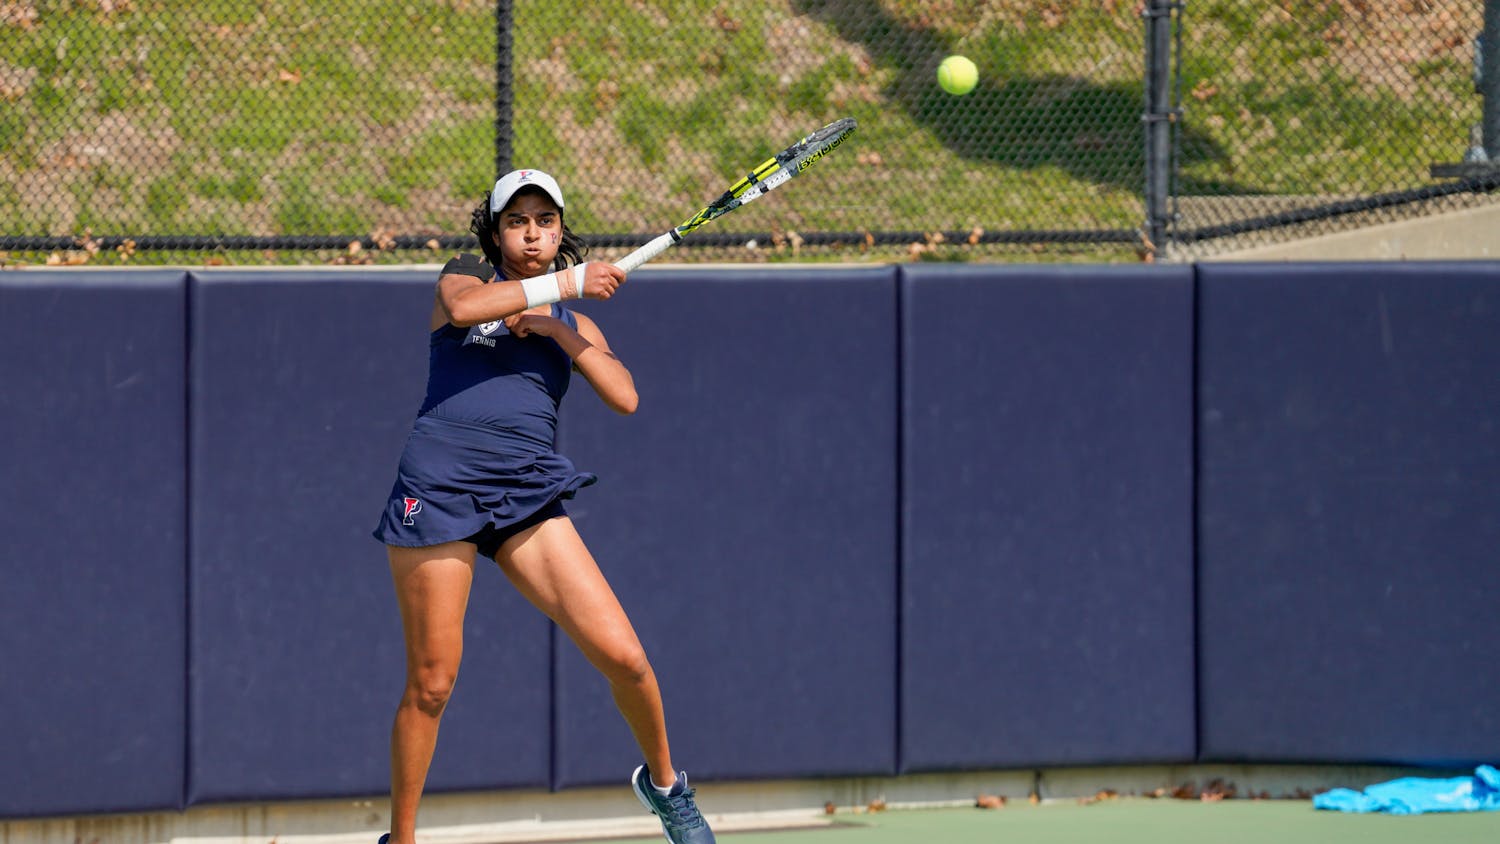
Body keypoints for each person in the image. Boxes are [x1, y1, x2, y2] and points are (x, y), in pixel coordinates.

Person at [371, 169, 715, 844]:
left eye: (545, 221)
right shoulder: (464, 277)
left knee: (625, 657)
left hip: (525, 491)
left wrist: (561, 329)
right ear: (495, 234)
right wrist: (566, 282)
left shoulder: (572, 318)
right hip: (437, 489)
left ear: (560, 231)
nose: (532, 233)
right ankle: (401, 841)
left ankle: (667, 786)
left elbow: (624, 396)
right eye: (517, 221)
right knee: (433, 683)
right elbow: (469, 311)